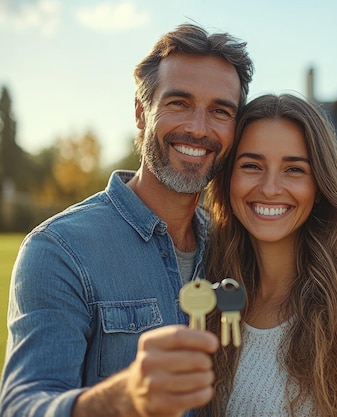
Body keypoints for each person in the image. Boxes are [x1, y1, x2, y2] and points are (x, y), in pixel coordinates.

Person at [0, 23, 253, 417]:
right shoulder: (60, 250)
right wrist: (122, 398)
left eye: (220, 111)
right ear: (141, 112)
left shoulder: (234, 248)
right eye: (178, 103)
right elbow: (22, 405)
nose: (198, 128)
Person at [202, 93, 337, 417]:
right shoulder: (211, 296)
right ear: (228, 178)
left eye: (294, 169)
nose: (270, 188)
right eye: (252, 165)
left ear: (319, 186)